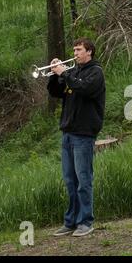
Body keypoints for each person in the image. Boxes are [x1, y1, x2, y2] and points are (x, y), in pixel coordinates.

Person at [47, 38, 105, 237]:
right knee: (70, 181)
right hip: (68, 134)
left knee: (83, 180)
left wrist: (65, 73)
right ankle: (70, 222)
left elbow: (85, 90)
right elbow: (55, 92)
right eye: (74, 49)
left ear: (89, 52)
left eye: (79, 50)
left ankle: (86, 222)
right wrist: (55, 74)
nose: (75, 53)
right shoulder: (73, 72)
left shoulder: (96, 73)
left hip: (84, 134)